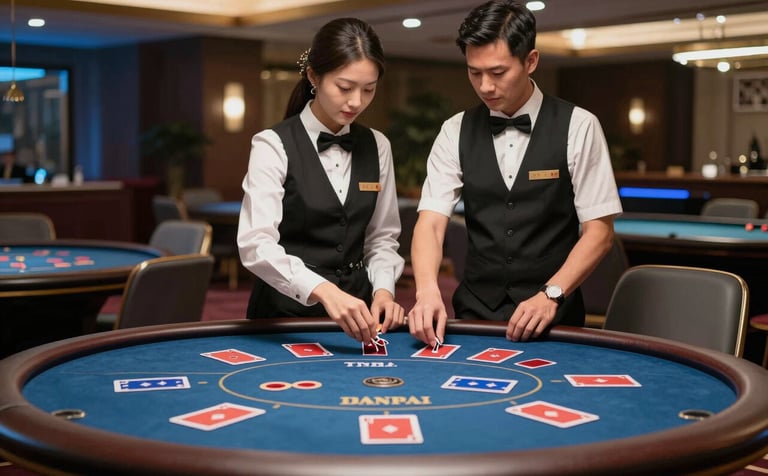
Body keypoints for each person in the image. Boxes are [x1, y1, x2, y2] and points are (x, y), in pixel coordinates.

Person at [407, 0, 622, 347]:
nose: (485, 86)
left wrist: (551, 294)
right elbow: (431, 223)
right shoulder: (454, 130)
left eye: (497, 72)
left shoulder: (579, 126)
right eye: (474, 72)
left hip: (555, 318)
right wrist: (428, 290)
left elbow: (599, 232)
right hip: (474, 316)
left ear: (531, 61)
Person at [237, 18, 406, 344]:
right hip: (283, 314)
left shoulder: (378, 145)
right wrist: (323, 290)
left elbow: (382, 237)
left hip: (361, 314)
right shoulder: (272, 144)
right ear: (314, 76)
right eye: (345, 88)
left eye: (368, 89)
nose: (356, 101)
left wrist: (384, 289)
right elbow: (255, 243)